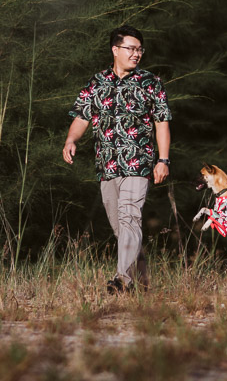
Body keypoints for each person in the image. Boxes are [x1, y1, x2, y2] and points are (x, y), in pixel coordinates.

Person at [63, 25, 172, 293]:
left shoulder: (151, 82)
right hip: (106, 166)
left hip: (139, 163)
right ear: (115, 50)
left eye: (140, 50)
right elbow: (82, 117)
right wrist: (71, 140)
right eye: (131, 49)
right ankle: (142, 282)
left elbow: (162, 123)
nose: (136, 54)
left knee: (130, 219)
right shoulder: (96, 82)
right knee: (121, 228)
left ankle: (123, 280)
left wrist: (163, 160)